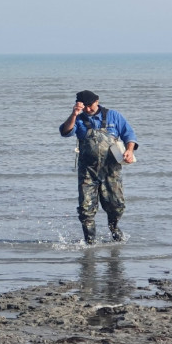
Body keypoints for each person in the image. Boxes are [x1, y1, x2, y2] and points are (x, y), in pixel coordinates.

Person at [59, 90, 138, 245]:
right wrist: (74, 114)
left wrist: (129, 150)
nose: (88, 109)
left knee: (117, 206)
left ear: (97, 101)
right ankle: (90, 242)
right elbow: (65, 132)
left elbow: (129, 135)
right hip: (88, 172)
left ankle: (114, 229)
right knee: (86, 210)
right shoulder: (79, 119)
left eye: (90, 105)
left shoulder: (114, 116)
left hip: (111, 171)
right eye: (84, 106)